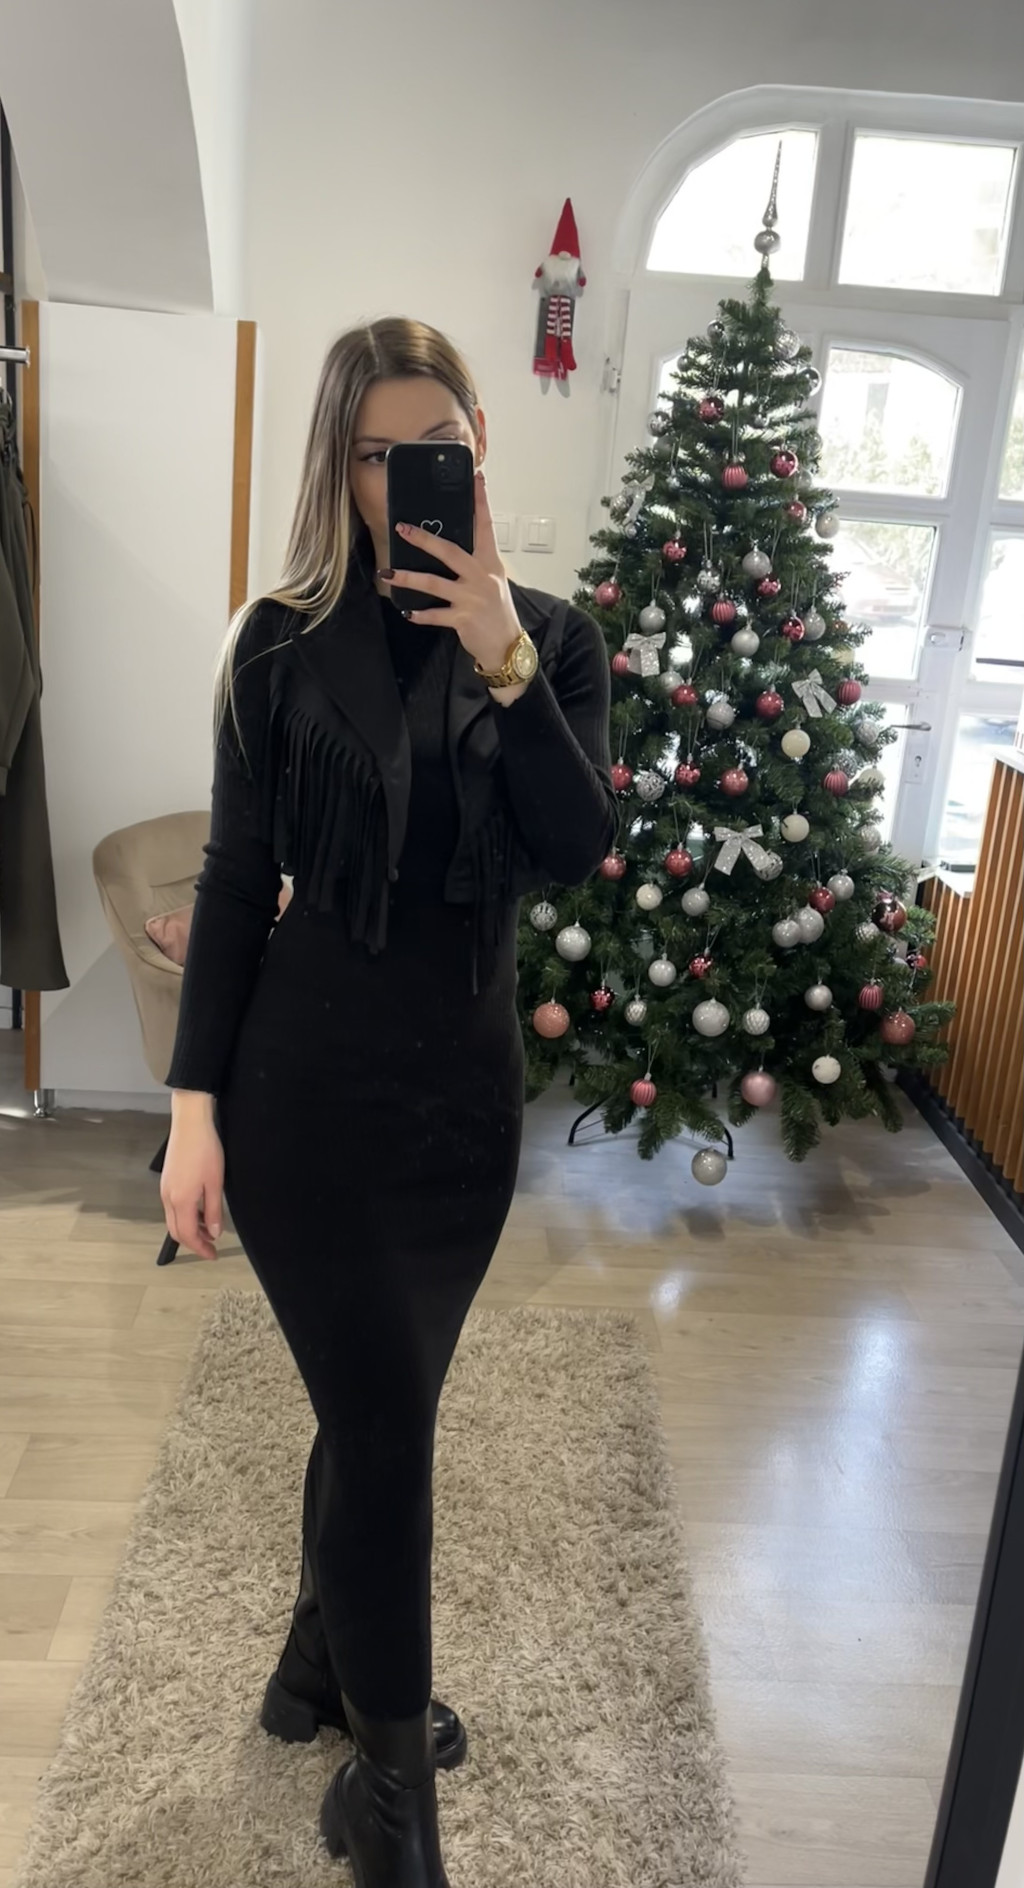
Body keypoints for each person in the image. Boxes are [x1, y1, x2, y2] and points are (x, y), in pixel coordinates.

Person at [159, 317, 616, 1888]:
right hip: (302, 1098)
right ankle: (392, 1791)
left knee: (386, 1405)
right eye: (374, 453)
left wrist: (500, 653)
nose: (402, 477)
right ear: (338, 466)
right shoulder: (277, 646)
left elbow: (575, 848)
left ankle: (315, 1663)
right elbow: (236, 882)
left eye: (435, 447)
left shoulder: (554, 641)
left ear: (480, 447)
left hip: (461, 1112)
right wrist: (193, 1110)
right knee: (387, 1429)